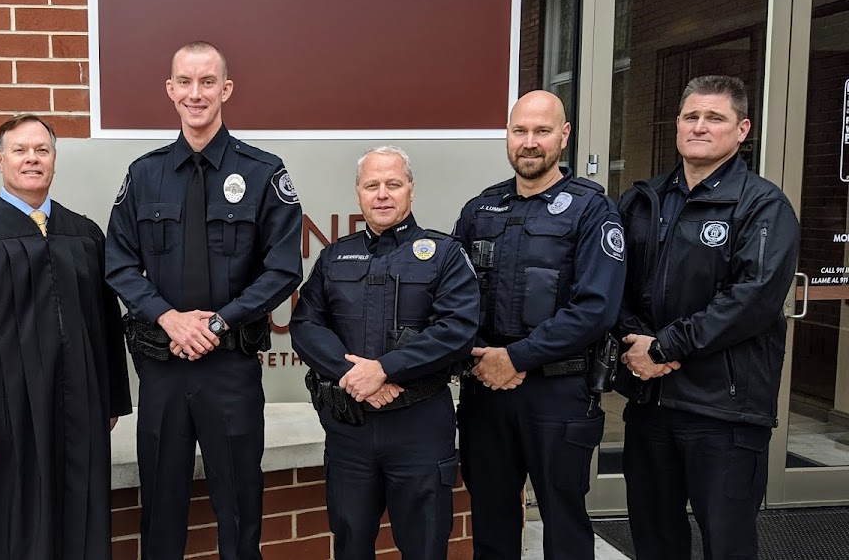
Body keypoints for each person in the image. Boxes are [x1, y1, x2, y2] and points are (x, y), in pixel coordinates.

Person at [105, 41, 303, 560]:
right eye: (186, 83)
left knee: (240, 510)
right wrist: (169, 319)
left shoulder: (263, 172)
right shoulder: (143, 174)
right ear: (171, 91)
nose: (197, 94)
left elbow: (283, 268)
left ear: (226, 89)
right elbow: (119, 263)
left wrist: (218, 323)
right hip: (163, 368)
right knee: (162, 512)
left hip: (230, 368)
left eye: (208, 82)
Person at [0, 113, 132, 560]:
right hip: (5, 417)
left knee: (79, 513)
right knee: (8, 523)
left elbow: (106, 321)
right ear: (0, 160)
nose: (32, 159)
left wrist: (111, 399)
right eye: (20, 150)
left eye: (42, 150)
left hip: (79, 409)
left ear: (55, 160)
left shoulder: (84, 234)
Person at [615, 75, 799, 559]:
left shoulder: (762, 205)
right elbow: (611, 286)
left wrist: (665, 347)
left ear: (742, 130)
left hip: (724, 411)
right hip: (650, 404)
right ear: (677, 124)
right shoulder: (643, 200)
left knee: (727, 543)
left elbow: (752, 299)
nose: (699, 126)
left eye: (714, 118)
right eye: (690, 116)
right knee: (654, 540)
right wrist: (635, 341)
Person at [453, 90, 626, 559]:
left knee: (563, 522)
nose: (530, 142)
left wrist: (517, 357)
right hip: (486, 388)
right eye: (520, 131)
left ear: (564, 136)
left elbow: (596, 308)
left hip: (559, 392)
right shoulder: (479, 210)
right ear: (508, 136)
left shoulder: (592, 209)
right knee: (490, 517)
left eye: (542, 131)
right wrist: (484, 357)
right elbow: (452, 300)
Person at [290, 146, 479, 560]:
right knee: (351, 544)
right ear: (358, 193)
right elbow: (305, 325)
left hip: (420, 428)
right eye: (372, 185)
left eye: (393, 184)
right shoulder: (334, 257)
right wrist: (355, 375)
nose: (382, 194)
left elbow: (457, 330)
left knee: (424, 547)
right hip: (350, 428)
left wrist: (386, 369)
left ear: (411, 190)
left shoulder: (444, 254)